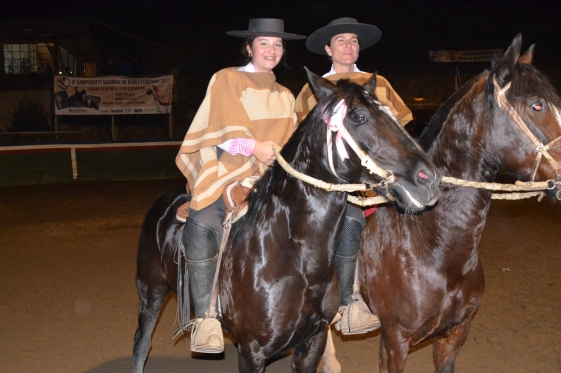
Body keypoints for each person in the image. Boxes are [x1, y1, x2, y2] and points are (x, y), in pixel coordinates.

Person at [175, 18, 305, 354]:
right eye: (264, 43)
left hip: (273, 176)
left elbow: (291, 140)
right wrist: (255, 148)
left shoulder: (285, 95)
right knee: (203, 222)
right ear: (249, 47)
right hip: (227, 170)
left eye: (277, 45)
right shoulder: (227, 78)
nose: (271, 50)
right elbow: (224, 129)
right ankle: (206, 318)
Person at [295, 17, 413, 335]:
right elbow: (304, 138)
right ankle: (348, 303)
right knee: (350, 220)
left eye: (354, 41)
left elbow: (397, 131)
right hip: (336, 179)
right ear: (327, 48)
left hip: (380, 173)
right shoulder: (314, 89)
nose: (349, 46)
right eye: (341, 41)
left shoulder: (379, 82)